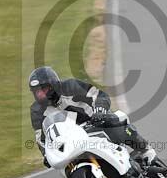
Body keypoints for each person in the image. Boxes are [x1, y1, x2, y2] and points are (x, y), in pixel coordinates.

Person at [29, 66, 157, 169]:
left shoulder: (71, 86)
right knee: (64, 165)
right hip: (73, 140)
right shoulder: (36, 111)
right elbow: (40, 136)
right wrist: (46, 154)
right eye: (36, 92)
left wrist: (99, 111)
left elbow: (99, 95)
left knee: (116, 122)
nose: (40, 94)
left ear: (53, 84)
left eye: (43, 89)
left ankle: (146, 151)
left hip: (95, 122)